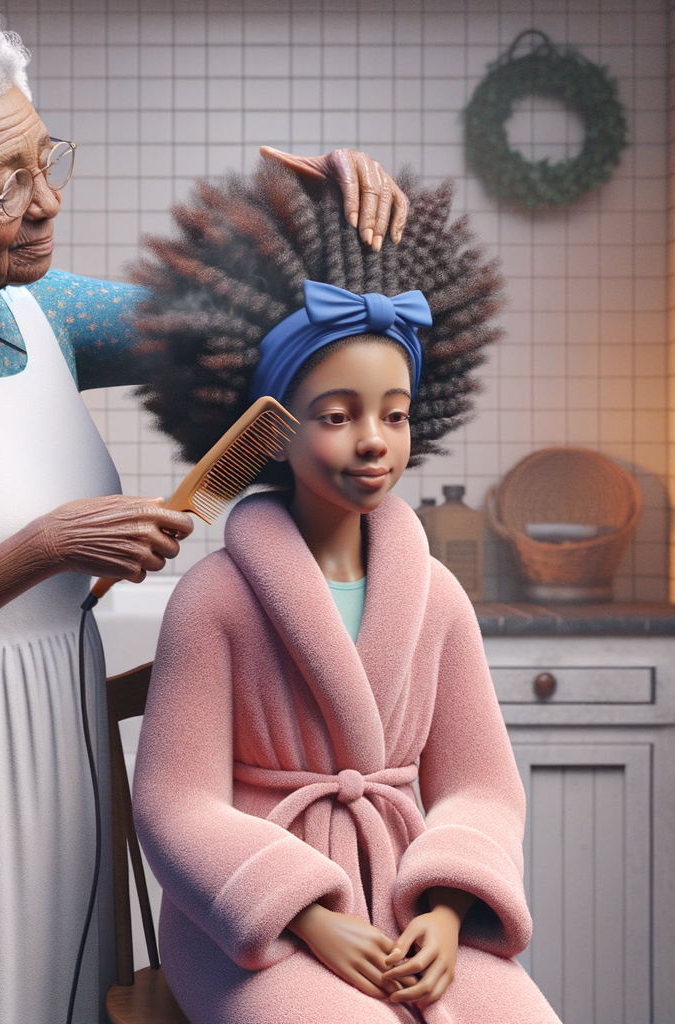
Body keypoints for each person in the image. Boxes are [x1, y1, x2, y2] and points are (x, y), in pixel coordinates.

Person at [0, 8, 411, 1024]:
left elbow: (238, 326)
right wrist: (46, 545)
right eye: (3, 183)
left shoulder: (40, 315)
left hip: (53, 755)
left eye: (43, 156)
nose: (47, 200)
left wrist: (322, 224)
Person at [131, 163, 562, 1022]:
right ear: (272, 429)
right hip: (249, 915)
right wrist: (308, 916)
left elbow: (480, 786)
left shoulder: (436, 596)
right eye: (337, 415)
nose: (374, 442)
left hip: (406, 891)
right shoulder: (215, 599)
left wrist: (446, 910)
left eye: (393, 414)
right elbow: (175, 803)